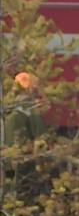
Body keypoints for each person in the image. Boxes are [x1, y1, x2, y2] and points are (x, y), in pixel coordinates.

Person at [3, 72, 46, 204]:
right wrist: (40, 164)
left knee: (9, 185)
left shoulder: (8, 108)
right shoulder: (30, 108)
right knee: (24, 193)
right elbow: (39, 138)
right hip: (24, 158)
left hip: (7, 157)